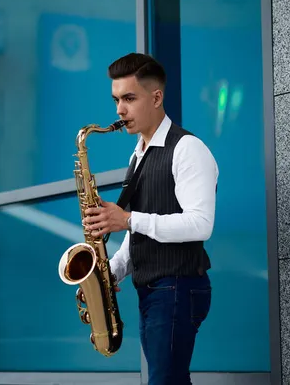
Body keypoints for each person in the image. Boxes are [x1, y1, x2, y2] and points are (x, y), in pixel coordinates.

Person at [83, 52, 219, 385]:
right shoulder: (139, 153)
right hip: (155, 289)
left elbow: (200, 224)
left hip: (177, 285)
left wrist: (127, 219)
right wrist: (110, 271)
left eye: (129, 98)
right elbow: (140, 231)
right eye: (116, 99)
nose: (119, 110)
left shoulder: (187, 149)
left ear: (156, 97)